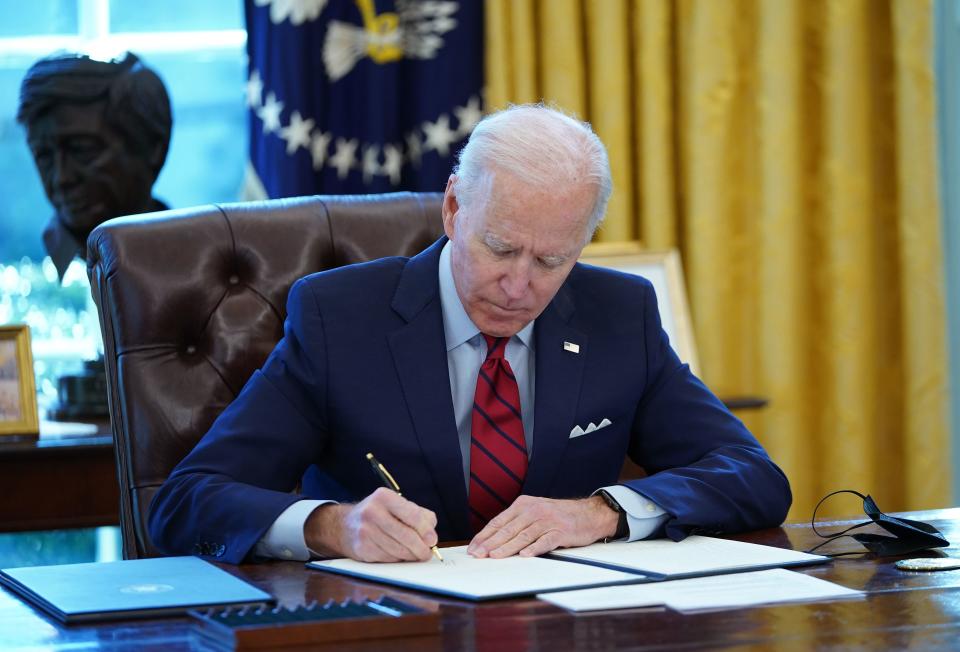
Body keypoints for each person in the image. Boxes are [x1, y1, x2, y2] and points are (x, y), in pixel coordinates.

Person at [150, 105, 791, 564]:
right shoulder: (337, 318)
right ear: (454, 207)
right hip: (389, 629)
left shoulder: (618, 315)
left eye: (550, 261)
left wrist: (599, 512)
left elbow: (753, 477)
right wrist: (332, 526)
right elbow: (188, 501)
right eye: (500, 248)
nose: (519, 286)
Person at [17, 52, 172, 282]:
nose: (62, 177)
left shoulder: (204, 263)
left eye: (82, 150)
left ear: (152, 147)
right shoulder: (26, 273)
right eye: (44, 156)